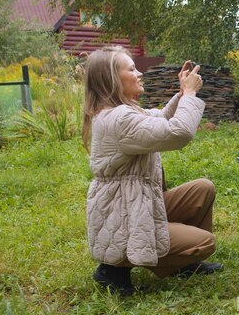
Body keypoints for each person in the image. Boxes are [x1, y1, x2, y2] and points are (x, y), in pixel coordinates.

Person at [81, 46, 222, 296]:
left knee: (203, 189)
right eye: (132, 69)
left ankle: (184, 263)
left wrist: (181, 95)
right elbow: (178, 133)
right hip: (125, 217)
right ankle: (114, 269)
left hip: (137, 204)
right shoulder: (119, 119)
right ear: (113, 79)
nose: (140, 74)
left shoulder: (124, 111)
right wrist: (189, 94)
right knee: (204, 242)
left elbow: (158, 119)